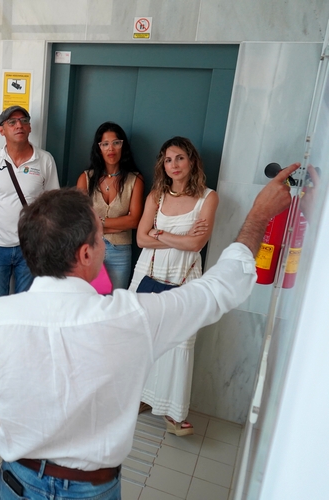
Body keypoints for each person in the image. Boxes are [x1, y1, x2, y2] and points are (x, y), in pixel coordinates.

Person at [0, 163, 296, 500]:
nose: (104, 244)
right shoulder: (131, 318)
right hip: (92, 491)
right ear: (85, 253)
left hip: (16, 483)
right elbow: (220, 289)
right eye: (100, 237)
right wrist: (258, 216)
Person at [130, 137, 219, 435]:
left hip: (184, 276)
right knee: (144, 338)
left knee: (180, 342)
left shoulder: (208, 197)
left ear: (191, 160)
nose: (174, 165)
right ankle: (141, 396)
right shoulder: (156, 195)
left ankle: (173, 412)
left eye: (180, 157)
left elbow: (196, 244)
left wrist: (159, 233)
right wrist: (176, 238)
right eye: (168, 160)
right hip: (148, 272)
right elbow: (141, 239)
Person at [0, 105, 60, 300]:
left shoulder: (45, 160)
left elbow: (52, 204)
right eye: (12, 122)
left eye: (23, 121)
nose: (19, 125)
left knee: (25, 303)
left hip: (30, 246)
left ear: (30, 127)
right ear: (1, 130)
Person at [76, 122, 144, 290]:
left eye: (116, 143)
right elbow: (81, 219)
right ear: (99, 148)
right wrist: (118, 225)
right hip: (89, 248)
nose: (110, 148)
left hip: (120, 251)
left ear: (122, 146)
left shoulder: (135, 180)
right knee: (89, 298)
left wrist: (99, 222)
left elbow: (134, 221)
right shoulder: (85, 178)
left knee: (117, 300)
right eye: (105, 144)